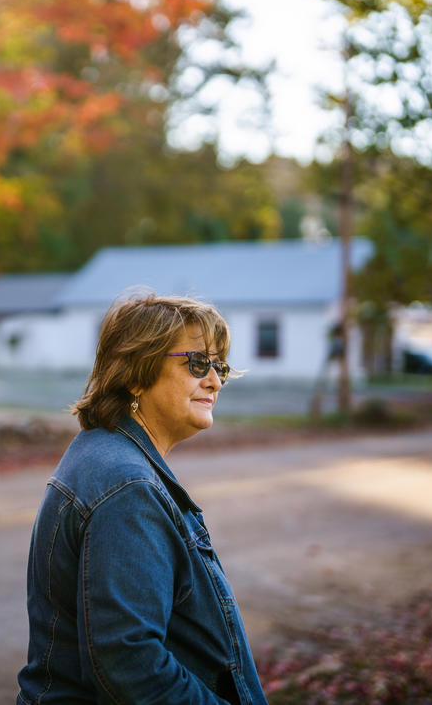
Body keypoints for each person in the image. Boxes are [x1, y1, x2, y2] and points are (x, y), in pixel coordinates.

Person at [16, 292, 268, 704]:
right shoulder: (126, 487)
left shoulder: (106, 454)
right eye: (197, 363)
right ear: (136, 372)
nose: (215, 381)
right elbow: (130, 662)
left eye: (218, 366)